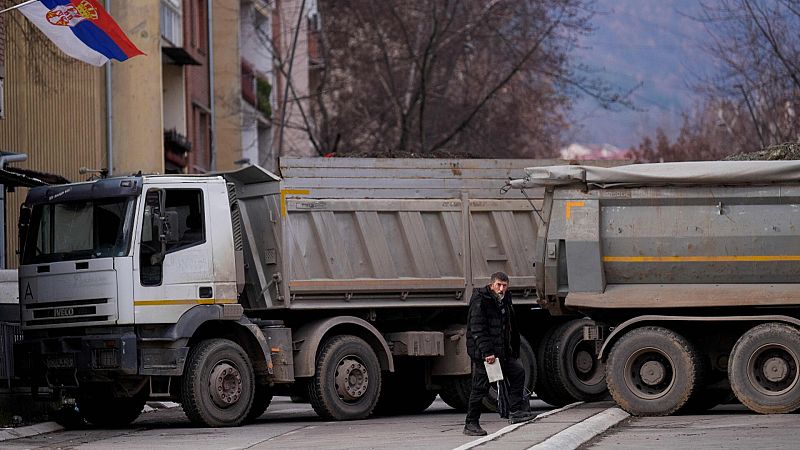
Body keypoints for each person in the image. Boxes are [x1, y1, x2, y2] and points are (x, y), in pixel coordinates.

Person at [463, 271, 535, 436]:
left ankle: (515, 411)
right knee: (480, 387)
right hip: (486, 355)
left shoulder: (505, 299)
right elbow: (477, 328)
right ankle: (471, 423)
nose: (501, 289)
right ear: (491, 284)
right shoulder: (481, 300)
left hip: (502, 352)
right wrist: (487, 352)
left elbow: (509, 326)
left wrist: (513, 349)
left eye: (504, 286)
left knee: (518, 372)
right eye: (498, 285)